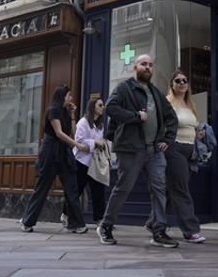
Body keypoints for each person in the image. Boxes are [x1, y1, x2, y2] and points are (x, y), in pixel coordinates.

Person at [98, 54, 179, 248]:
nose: (148, 68)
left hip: (154, 150)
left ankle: (159, 229)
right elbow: (110, 108)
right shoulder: (124, 88)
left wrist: (167, 139)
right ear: (135, 67)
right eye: (143, 64)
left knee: (159, 189)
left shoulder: (156, 92)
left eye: (151, 65)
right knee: (124, 188)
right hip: (131, 149)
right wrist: (135, 116)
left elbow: (171, 117)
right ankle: (106, 226)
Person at [20, 84, 88, 234]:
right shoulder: (53, 110)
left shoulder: (64, 111)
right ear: (62, 96)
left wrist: (72, 115)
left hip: (64, 152)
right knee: (42, 188)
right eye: (69, 95)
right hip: (50, 151)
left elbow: (72, 132)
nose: (71, 98)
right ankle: (27, 221)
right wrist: (77, 145)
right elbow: (58, 133)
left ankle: (76, 224)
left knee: (72, 188)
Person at [157, 70, 206, 244]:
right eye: (178, 80)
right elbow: (159, 123)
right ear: (172, 84)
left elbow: (193, 125)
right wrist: (162, 141)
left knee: (172, 191)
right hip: (174, 149)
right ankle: (190, 231)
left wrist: (198, 134)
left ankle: (154, 223)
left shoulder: (189, 104)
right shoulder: (167, 102)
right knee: (181, 189)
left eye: (185, 80)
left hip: (190, 151)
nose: (182, 83)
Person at [72, 96, 107, 228]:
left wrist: (101, 143)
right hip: (81, 162)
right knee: (77, 190)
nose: (103, 107)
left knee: (98, 190)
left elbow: (100, 141)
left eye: (103, 105)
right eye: (100, 105)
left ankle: (99, 219)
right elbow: (79, 141)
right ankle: (65, 214)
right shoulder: (83, 122)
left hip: (95, 162)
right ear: (93, 107)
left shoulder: (100, 125)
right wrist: (95, 142)